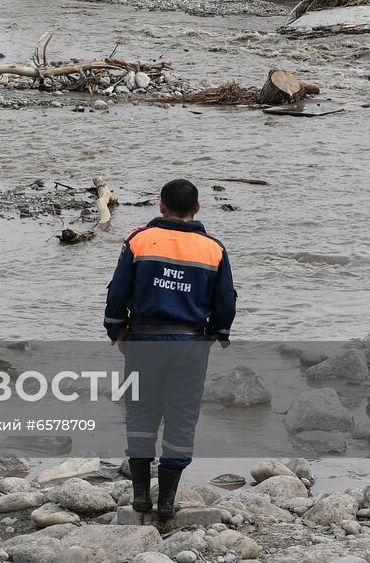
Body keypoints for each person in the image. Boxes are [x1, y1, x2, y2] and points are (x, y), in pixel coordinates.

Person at [103, 178, 236, 519]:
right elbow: (225, 304)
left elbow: (118, 292)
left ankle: (140, 499)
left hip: (143, 341)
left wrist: (116, 330)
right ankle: (166, 502)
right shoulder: (214, 249)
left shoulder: (139, 241)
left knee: (140, 413)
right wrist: (214, 335)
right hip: (189, 343)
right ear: (197, 209)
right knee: (181, 418)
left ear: (160, 205)